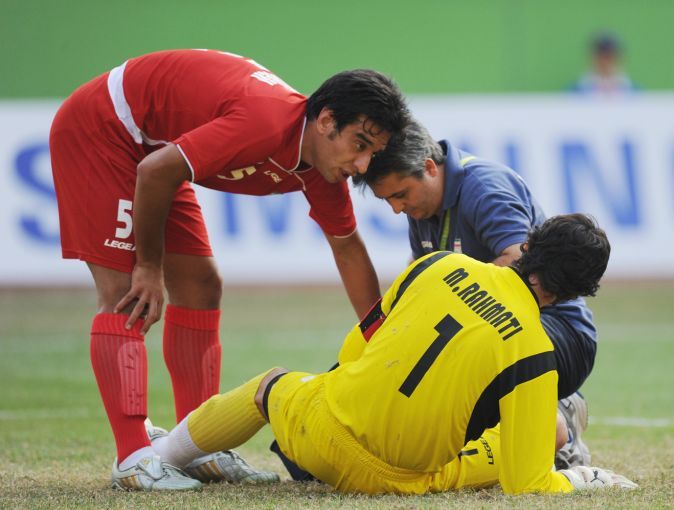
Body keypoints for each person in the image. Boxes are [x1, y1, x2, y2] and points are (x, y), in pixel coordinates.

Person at [48, 48, 410, 490]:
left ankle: (193, 447)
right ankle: (133, 459)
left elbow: (348, 250)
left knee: (201, 287)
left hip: (156, 153)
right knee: (127, 291)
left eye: (373, 153)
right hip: (104, 128)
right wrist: (148, 266)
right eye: (360, 144)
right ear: (326, 120)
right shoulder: (265, 123)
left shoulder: (320, 168)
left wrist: (379, 339)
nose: (363, 165)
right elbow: (155, 171)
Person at [149, 214, 636, 495]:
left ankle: (159, 458)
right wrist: (583, 482)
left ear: (527, 246)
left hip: (318, 435)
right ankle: (578, 460)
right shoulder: (535, 351)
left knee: (268, 384)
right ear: (577, 293)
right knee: (531, 438)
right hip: (396, 481)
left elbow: (355, 348)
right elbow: (527, 485)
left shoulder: (438, 263)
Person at [353, 119, 599, 469]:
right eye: (388, 199)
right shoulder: (421, 205)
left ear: (429, 167)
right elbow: (422, 280)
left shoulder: (485, 188)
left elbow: (519, 264)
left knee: (460, 354)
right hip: (498, 331)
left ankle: (560, 421)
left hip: (557, 330)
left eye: (400, 194)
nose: (396, 208)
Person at [570, 32, 636, 95]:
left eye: (609, 57)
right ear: (592, 58)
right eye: (601, 57)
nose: (605, 62)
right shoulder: (574, 92)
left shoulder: (635, 93)